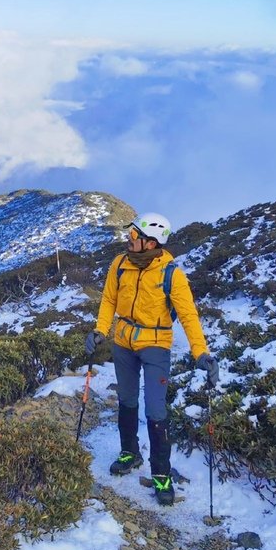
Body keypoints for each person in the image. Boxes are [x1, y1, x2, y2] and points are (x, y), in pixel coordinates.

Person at [86, 212, 219, 505]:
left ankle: (161, 475)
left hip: (155, 345)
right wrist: (100, 330)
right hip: (122, 342)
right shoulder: (119, 264)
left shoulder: (172, 274)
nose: (128, 240)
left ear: (150, 242)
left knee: (156, 410)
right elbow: (109, 299)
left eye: (134, 236)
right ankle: (130, 452)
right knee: (127, 400)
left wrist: (201, 353)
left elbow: (188, 316)